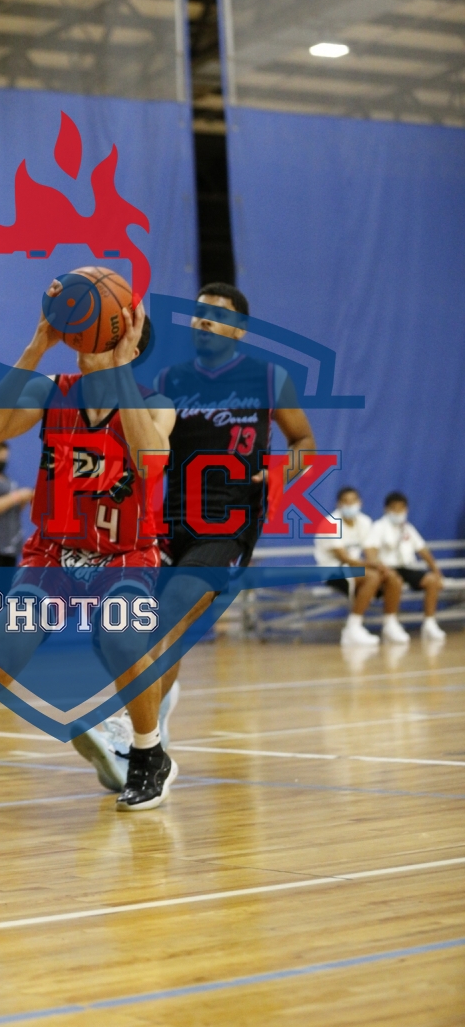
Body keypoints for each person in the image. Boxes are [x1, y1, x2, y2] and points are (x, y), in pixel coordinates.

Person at [0, 280, 183, 819]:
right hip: (53, 554)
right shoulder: (52, 390)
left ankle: (148, 755)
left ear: (126, 341)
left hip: (125, 552)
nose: (82, 336)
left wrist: (120, 366)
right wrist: (36, 345)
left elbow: (151, 461)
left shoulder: (154, 403)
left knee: (121, 638)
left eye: (99, 328)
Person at [92, 282, 316, 776]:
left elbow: (303, 439)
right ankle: (158, 706)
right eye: (197, 314)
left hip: (228, 528)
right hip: (170, 524)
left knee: (167, 618)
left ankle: (129, 730)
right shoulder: (171, 379)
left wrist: (282, 471)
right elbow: (145, 444)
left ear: (239, 329)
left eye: (215, 315)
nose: (202, 322)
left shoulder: (269, 378)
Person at [314, 485, 392, 648]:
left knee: (392, 577)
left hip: (355, 568)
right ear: (338, 504)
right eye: (346, 502)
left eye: (353, 501)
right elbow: (343, 557)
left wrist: (378, 565)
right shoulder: (330, 523)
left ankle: (391, 624)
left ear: (360, 502)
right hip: (332, 570)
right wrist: (373, 566)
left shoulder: (364, 521)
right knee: (372, 577)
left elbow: (370, 550)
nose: (350, 505)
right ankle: (353, 628)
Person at [365, 492, 445, 643]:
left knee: (432, 580)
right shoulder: (379, 527)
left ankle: (429, 623)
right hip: (388, 568)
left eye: (401, 508)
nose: (398, 512)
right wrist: (378, 566)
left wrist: (435, 570)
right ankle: (390, 623)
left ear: (406, 509)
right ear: (386, 509)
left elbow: (423, 550)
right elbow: (370, 551)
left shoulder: (408, 528)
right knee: (395, 580)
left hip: (407, 567)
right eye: (394, 508)